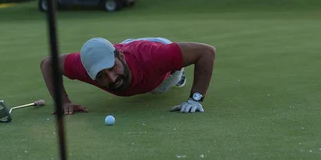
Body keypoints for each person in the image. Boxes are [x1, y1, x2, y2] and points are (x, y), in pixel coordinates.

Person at [40, 36, 216, 115]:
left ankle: (178, 72)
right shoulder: (83, 67)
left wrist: (195, 98)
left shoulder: (156, 57)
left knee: (158, 89)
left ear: (120, 57)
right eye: (101, 75)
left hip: (156, 50)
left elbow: (207, 52)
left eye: (111, 68)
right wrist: (63, 102)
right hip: (125, 50)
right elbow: (47, 63)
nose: (111, 79)